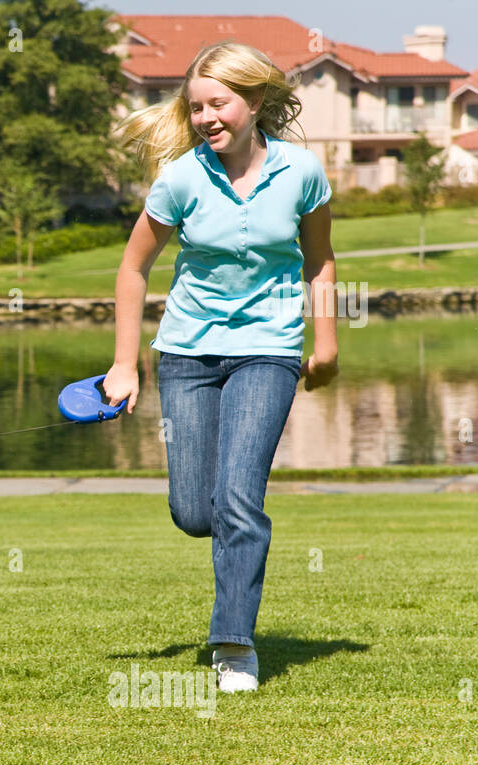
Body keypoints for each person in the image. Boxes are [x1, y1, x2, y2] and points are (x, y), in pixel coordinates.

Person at [102, 41, 339, 693]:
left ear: (254, 101)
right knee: (193, 511)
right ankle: (224, 542)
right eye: (196, 106)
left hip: (269, 349)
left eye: (218, 103)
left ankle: (234, 641)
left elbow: (318, 260)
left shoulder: (302, 173)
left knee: (239, 496)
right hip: (186, 354)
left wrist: (326, 340)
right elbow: (132, 269)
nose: (205, 117)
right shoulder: (180, 178)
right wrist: (125, 365)